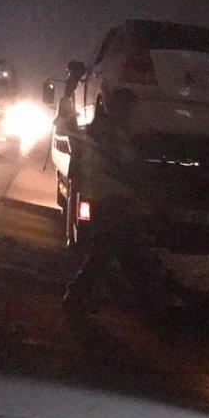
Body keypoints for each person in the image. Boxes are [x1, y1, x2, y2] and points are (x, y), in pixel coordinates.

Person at [62, 87, 169, 318]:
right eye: (129, 109)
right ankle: (78, 296)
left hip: (105, 198)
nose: (133, 114)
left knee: (117, 250)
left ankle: (145, 302)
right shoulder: (112, 135)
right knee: (115, 251)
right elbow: (127, 166)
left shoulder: (101, 129)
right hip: (112, 199)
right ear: (120, 109)